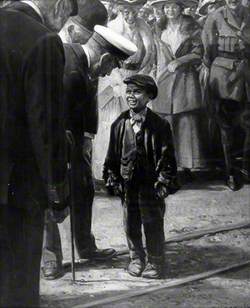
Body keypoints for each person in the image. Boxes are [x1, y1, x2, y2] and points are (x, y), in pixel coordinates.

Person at [42, 11, 138, 280]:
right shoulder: (69, 67)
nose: (110, 72)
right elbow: (52, 115)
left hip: (77, 135)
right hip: (54, 137)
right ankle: (51, 257)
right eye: (112, 66)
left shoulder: (86, 61)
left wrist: (86, 138)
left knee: (83, 189)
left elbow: (85, 105)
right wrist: (63, 147)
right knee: (53, 193)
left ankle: (85, 246)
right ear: (105, 58)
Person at [0, 0, 77, 307]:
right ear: (58, 5)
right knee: (16, 286)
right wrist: (57, 191)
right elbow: (46, 127)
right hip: (16, 189)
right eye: (67, 15)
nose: (63, 24)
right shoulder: (43, 40)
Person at [104, 74, 178, 279]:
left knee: (153, 222)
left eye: (137, 92)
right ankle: (136, 258)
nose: (131, 96)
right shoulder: (119, 124)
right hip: (128, 184)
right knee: (131, 222)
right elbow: (112, 156)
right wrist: (113, 178)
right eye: (128, 92)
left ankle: (155, 261)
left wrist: (163, 182)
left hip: (150, 185)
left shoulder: (160, 125)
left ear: (149, 96)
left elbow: (167, 158)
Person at [151, 0, 208, 178]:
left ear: (181, 8)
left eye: (174, 6)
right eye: (166, 7)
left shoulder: (193, 27)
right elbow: (154, 53)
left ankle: (186, 166)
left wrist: (179, 61)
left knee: (185, 120)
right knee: (165, 120)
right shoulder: (158, 28)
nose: (170, 10)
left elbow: (199, 52)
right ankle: (167, 164)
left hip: (185, 78)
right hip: (164, 78)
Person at [201, 0, 250, 190]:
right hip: (223, 75)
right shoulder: (216, 16)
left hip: (247, 73)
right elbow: (208, 49)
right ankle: (230, 172)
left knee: (246, 125)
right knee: (226, 125)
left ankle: (245, 167)